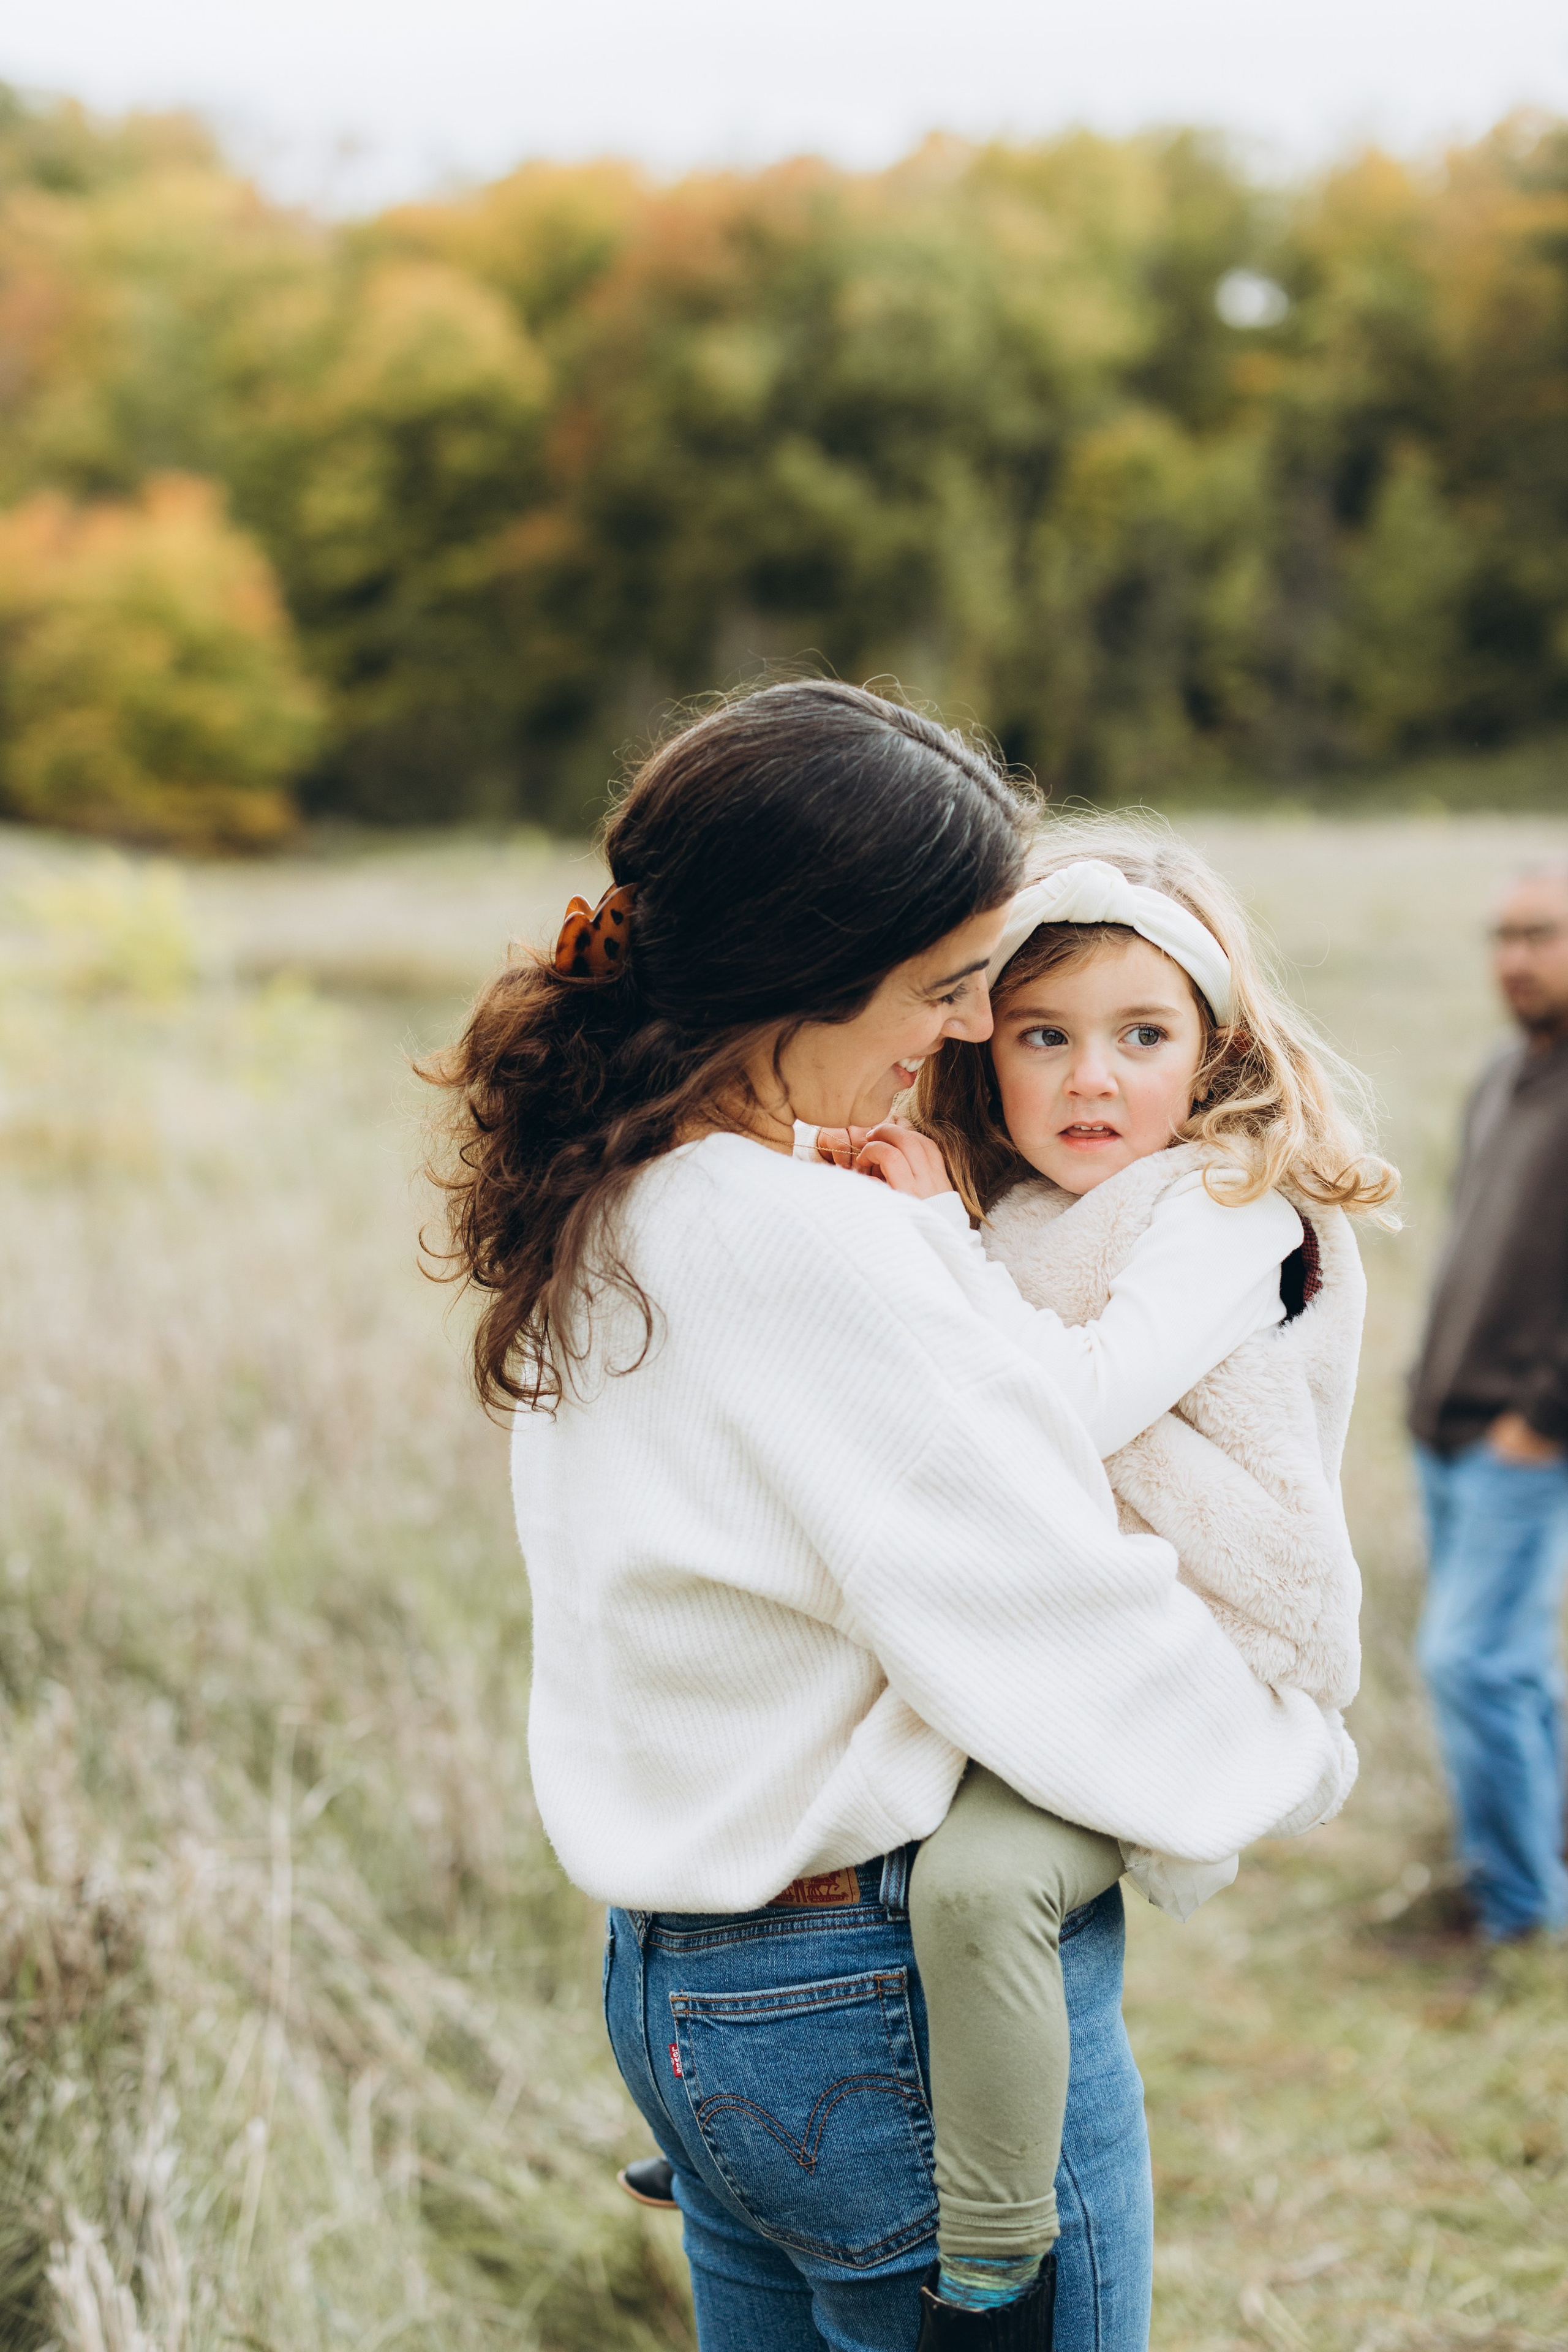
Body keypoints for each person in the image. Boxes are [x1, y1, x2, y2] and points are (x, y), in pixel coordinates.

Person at [426, 681, 1349, 2352]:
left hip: (684, 1984)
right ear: (802, 970)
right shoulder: (809, 1246)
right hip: (873, 2001)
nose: (961, 1031)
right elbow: (1059, 1615)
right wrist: (1289, 1745)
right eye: (945, 989)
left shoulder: (613, 1192)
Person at [803, 834, 1390, 2324]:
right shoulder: (1012, 1213)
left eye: (1141, 1039)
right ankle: (775, 2122)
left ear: (1211, 1054)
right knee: (827, 1799)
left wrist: (932, 1232)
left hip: (1202, 1642)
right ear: (979, 1052)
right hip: (1061, 1619)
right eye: (1040, 1037)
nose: (1086, 1082)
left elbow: (1064, 1403)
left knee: (983, 1886)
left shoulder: (1222, 1205)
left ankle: (996, 2244)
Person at [1408, 861, 1568, 1945]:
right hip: (1446, 1427)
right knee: (1509, 1662)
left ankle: (1519, 1918)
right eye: (1503, 935)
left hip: (1523, 1436)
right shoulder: (1505, 1076)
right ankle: (1545, 1856)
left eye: (1541, 935)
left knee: (1468, 1661)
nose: (1514, 957)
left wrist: (1538, 1424)